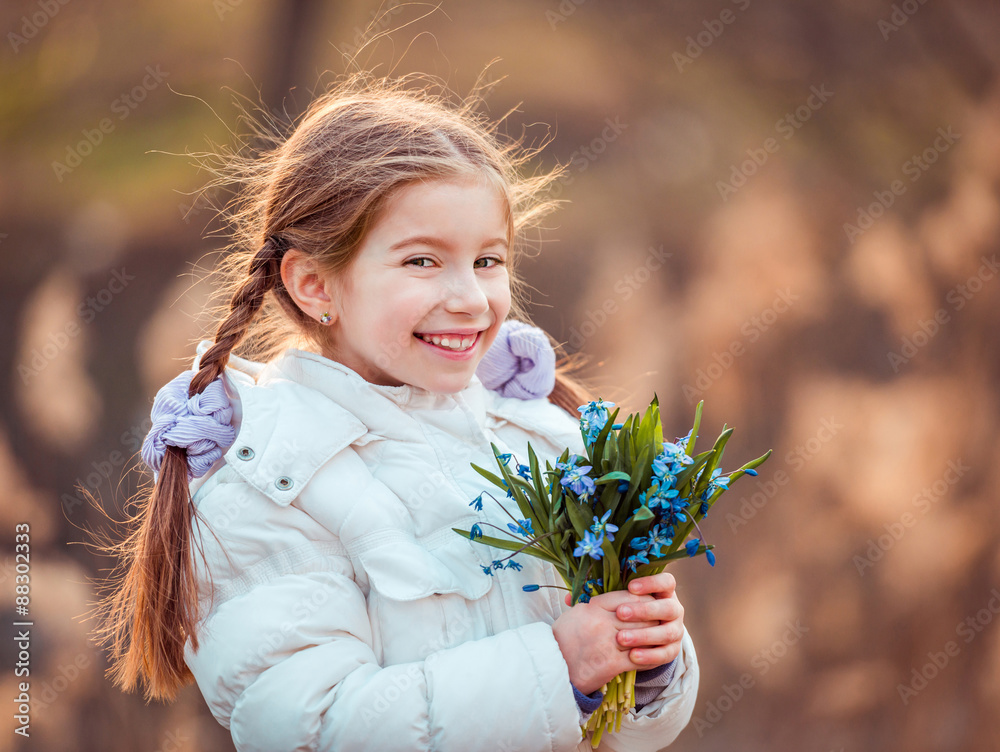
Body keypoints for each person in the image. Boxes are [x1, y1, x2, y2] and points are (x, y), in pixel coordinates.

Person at [95, 71, 698, 751]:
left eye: (488, 260)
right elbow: (315, 729)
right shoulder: (268, 484)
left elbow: (622, 729)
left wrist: (644, 666)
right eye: (422, 261)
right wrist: (561, 665)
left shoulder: (541, 436)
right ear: (314, 283)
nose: (471, 297)